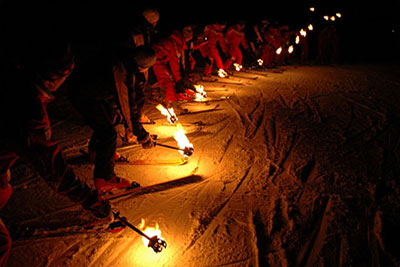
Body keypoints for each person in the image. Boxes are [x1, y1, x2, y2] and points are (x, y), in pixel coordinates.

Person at [0, 38, 111, 266]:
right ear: (51, 79)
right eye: (65, 77)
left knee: (4, 186)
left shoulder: (13, 80)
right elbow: (53, 169)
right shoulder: (30, 112)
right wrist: (91, 200)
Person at [68, 44, 157, 197]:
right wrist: (140, 134)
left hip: (92, 93)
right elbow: (127, 104)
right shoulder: (122, 71)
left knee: (113, 118)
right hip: (83, 94)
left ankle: (97, 153)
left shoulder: (126, 60)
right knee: (107, 133)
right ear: (141, 67)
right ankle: (105, 179)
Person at [152, 24, 196, 107]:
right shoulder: (174, 43)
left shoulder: (177, 41)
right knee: (169, 79)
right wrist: (179, 80)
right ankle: (171, 101)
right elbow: (174, 63)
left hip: (160, 59)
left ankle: (172, 96)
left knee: (170, 77)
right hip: (155, 60)